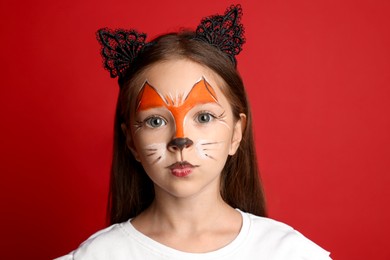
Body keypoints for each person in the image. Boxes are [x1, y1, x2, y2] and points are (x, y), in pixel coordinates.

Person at [56, 5, 331, 260]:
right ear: (131, 141)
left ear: (237, 133)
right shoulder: (98, 255)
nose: (180, 140)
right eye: (155, 121)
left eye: (204, 116)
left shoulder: (290, 253)